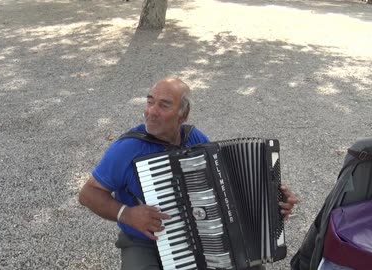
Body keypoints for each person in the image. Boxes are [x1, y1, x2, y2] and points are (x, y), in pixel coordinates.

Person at [79, 77, 299, 270]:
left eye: (164, 105)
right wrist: (127, 214)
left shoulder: (196, 139)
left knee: (251, 265)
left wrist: (272, 200)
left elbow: (227, 188)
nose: (151, 111)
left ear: (183, 115)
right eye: (150, 101)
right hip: (145, 240)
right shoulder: (126, 149)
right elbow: (88, 193)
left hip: (197, 232)